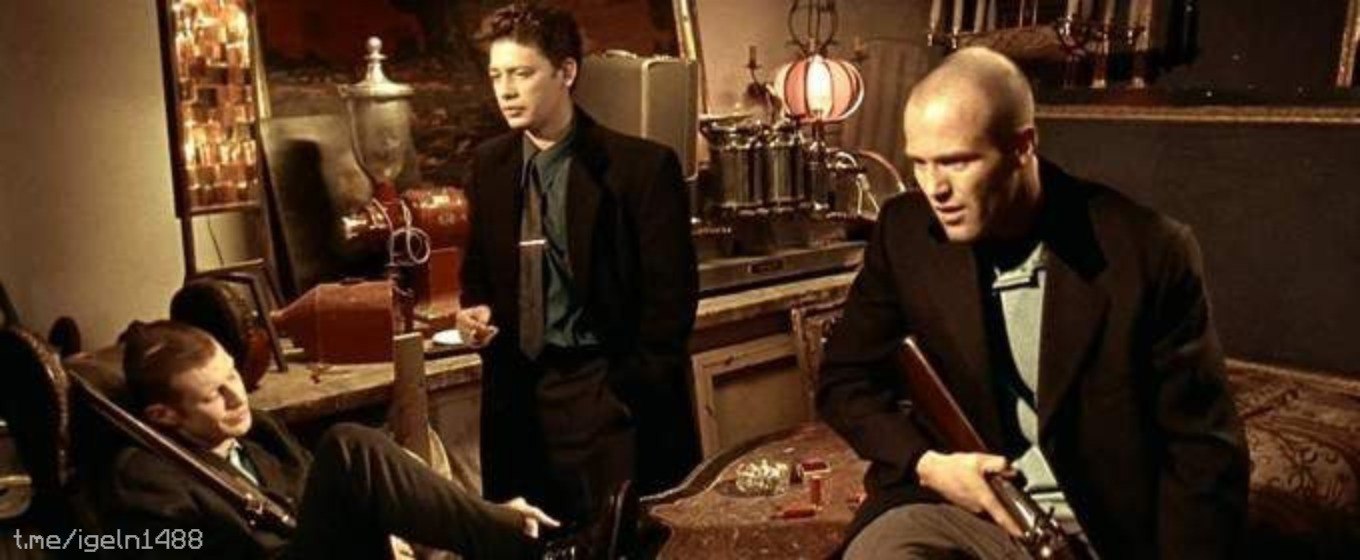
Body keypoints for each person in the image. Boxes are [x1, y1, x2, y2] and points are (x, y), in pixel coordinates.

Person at [817, 47, 1249, 559]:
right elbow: (843, 381)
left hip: (1090, 531)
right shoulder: (905, 230)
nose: (935, 189)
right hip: (952, 507)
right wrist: (929, 465)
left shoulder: (1149, 251)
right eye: (920, 163)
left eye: (956, 162)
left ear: (1022, 147)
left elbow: (1203, 454)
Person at [454, 1, 699, 532]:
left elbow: (671, 306)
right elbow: (479, 276)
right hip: (521, 399)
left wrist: (625, 394)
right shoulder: (490, 166)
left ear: (566, 72)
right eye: (496, 75)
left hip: (607, 392)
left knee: (622, 542)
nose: (506, 91)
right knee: (534, 540)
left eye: (522, 74)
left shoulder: (640, 169)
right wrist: (474, 312)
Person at [101, 320, 569, 559]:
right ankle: (521, 537)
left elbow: (325, 505)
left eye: (232, 376)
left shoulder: (259, 430)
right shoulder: (144, 478)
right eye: (212, 394)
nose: (236, 396)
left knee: (367, 459)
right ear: (163, 416)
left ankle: (514, 532)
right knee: (347, 447)